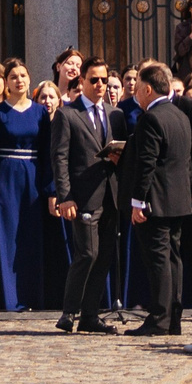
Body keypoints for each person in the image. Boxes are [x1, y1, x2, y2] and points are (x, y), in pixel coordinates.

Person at [122, 64, 192, 337]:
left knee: (159, 261)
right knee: (173, 259)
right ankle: (173, 317)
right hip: (177, 200)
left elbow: (147, 164)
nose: (136, 95)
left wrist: (138, 201)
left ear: (148, 89)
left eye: (138, 89)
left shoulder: (151, 118)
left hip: (156, 201)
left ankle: (160, 318)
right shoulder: (180, 115)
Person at [48, 62, 119, 333]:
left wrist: (117, 157)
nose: (100, 85)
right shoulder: (67, 115)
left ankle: (90, 316)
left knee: (103, 256)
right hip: (82, 196)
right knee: (87, 253)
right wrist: (64, 196)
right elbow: (60, 158)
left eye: (104, 79)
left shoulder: (115, 114)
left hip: (109, 195)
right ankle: (69, 312)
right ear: (83, 82)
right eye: (94, 80)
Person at [0, 59, 47, 312]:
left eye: (23, 75)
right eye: (13, 77)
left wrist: (49, 187)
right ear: (6, 83)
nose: (19, 80)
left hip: (32, 176)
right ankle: (10, 297)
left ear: (29, 79)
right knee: (7, 236)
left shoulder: (40, 112)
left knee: (30, 237)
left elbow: (46, 151)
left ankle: (32, 295)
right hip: (5, 177)